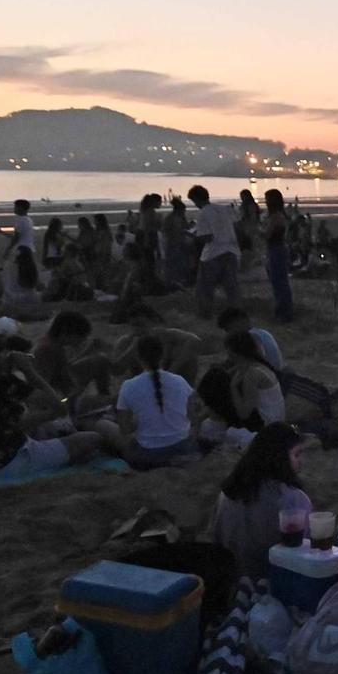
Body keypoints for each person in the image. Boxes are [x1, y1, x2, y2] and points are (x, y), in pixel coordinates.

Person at [0, 335, 108, 479]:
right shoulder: (3, 382)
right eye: (2, 354)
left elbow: (9, 423)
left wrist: (47, 416)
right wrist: (29, 371)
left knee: (45, 428)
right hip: (9, 463)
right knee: (92, 439)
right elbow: (58, 406)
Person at [209, 423, 315, 581]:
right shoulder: (292, 499)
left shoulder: (229, 492)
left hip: (230, 578)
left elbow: (216, 536)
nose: (301, 461)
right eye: (296, 455)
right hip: (272, 581)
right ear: (279, 458)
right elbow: (305, 550)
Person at [116, 333, 201, 469]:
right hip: (183, 448)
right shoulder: (180, 381)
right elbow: (193, 419)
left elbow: (124, 429)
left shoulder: (128, 385)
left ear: (138, 357)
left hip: (148, 455)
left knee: (105, 426)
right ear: (162, 355)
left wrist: (140, 422)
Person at [189, 185, 241, 318]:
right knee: (231, 288)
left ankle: (205, 315)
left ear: (197, 199)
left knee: (205, 288)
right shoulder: (223, 209)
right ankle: (235, 314)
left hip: (213, 254)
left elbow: (207, 237)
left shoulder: (203, 213)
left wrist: (195, 236)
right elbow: (236, 224)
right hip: (231, 250)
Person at [262, 188, 295, 322]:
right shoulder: (281, 215)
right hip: (279, 249)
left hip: (276, 250)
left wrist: (258, 230)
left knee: (279, 282)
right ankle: (283, 310)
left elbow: (268, 235)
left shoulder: (276, 216)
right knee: (280, 282)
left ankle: (284, 312)